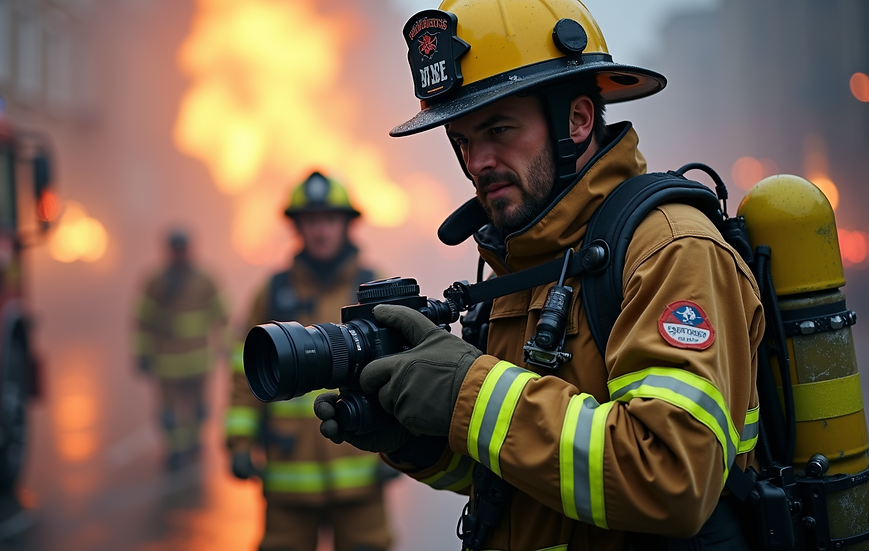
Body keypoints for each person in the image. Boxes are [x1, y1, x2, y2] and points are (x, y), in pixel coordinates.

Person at [314, 2, 764, 550]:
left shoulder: (670, 249)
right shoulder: (525, 261)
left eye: (498, 128)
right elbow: (518, 473)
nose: (477, 160)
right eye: (461, 140)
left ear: (576, 119)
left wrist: (467, 393)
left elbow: (671, 477)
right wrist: (414, 437)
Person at [226, 172, 393, 551]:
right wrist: (239, 442)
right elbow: (243, 374)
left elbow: (400, 370)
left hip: (362, 475)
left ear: (346, 224)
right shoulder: (271, 294)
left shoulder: (374, 289)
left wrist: (404, 445)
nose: (320, 231)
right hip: (289, 479)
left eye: (329, 220)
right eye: (311, 221)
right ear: (298, 226)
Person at [134, 229, 227, 470]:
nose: (179, 254)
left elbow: (221, 315)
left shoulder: (205, 279)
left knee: (198, 408)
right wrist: (142, 352)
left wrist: (225, 345)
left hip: (198, 362)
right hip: (167, 363)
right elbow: (142, 321)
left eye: (182, 248)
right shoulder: (156, 282)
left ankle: (194, 442)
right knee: (169, 412)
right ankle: (175, 449)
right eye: (175, 249)